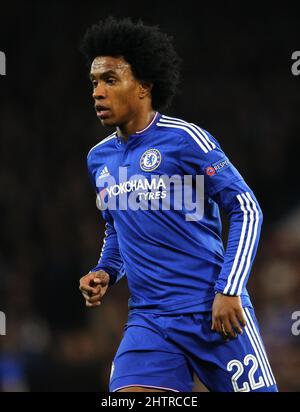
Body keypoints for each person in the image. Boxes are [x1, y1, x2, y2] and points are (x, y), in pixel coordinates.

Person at [78, 17, 278, 392]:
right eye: (94, 82)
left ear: (144, 86)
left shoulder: (186, 140)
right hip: (149, 321)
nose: (97, 92)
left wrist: (230, 289)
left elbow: (245, 207)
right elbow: (116, 227)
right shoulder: (98, 159)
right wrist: (105, 270)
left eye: (110, 80)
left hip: (213, 310)